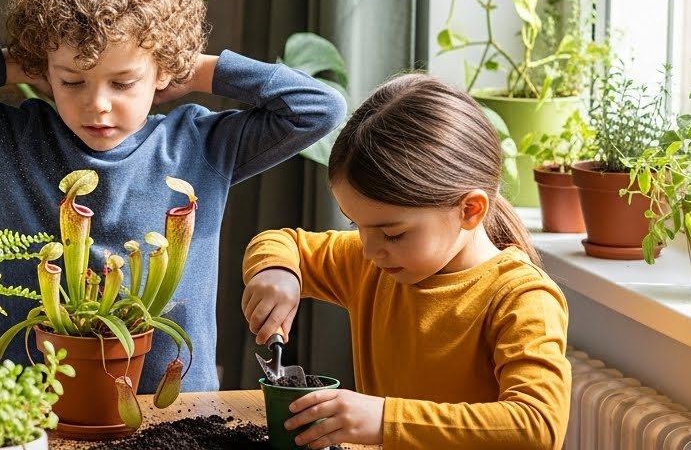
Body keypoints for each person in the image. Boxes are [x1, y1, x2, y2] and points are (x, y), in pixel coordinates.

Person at [0, 0, 348, 393]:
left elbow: (319, 109)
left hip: (179, 408)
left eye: (122, 83)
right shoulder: (11, 140)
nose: (97, 104)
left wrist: (194, 68)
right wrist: (21, 60)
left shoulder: (202, 144)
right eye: (72, 81)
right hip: (39, 406)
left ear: (161, 72)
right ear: (44, 75)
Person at [241, 73, 571, 450]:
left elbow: (537, 426)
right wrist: (278, 271)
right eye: (357, 226)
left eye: (392, 233)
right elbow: (283, 242)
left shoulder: (521, 298)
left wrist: (384, 420)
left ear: (470, 209)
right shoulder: (373, 264)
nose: (368, 249)